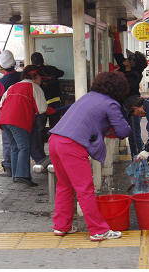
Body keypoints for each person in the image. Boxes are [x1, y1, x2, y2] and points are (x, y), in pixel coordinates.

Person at [48, 71, 131, 241]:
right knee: (85, 189)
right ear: (119, 89)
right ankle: (98, 230)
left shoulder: (88, 96)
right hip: (72, 145)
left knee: (64, 185)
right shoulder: (110, 104)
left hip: (55, 140)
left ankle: (61, 226)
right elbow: (123, 131)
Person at [0, 65, 48, 187]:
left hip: (4, 120)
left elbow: (0, 106)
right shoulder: (34, 87)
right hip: (19, 121)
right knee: (24, 147)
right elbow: (42, 109)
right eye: (40, 77)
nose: (41, 80)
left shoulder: (13, 86)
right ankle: (22, 175)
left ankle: (15, 174)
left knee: (15, 147)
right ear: (34, 76)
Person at [112, 29, 148, 157]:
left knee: (134, 135)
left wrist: (116, 74)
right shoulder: (126, 69)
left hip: (132, 106)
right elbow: (118, 55)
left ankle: (139, 162)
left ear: (132, 64)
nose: (125, 59)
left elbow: (125, 87)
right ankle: (138, 160)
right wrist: (116, 37)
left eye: (128, 59)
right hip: (125, 105)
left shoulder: (134, 75)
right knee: (132, 135)